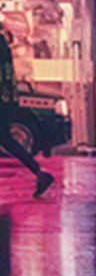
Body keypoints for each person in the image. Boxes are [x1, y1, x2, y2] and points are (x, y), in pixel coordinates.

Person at [0, 28, 54, 198]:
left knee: (6, 139)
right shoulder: (2, 42)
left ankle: (40, 173)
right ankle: (39, 173)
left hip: (1, 99)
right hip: (5, 98)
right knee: (6, 140)